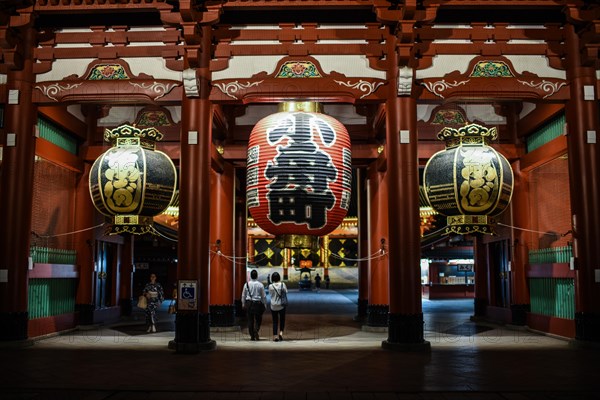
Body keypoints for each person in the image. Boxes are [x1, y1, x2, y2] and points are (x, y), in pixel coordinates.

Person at [241, 269, 267, 341]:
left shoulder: (246, 284)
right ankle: (256, 330)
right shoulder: (260, 285)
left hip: (249, 303)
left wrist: (243, 303)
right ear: (257, 276)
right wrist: (265, 304)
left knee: (250, 320)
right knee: (258, 319)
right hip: (257, 303)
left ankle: (252, 335)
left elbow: (243, 295)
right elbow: (263, 296)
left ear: (250, 276)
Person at [268, 272, 288, 342]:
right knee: (282, 320)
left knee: (275, 321)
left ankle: (275, 336)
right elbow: (286, 292)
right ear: (279, 277)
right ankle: (281, 333)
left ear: (272, 278)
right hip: (281, 305)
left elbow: (270, 294)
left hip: (273, 306)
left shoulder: (270, 286)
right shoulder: (283, 284)